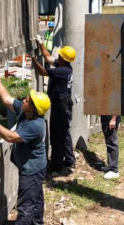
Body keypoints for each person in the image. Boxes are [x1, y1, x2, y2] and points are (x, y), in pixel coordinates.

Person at [0, 76, 51, 225]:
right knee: (36, 200)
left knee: (25, 208)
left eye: (27, 101)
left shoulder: (35, 125)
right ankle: (38, 222)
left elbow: (10, 137)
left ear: (33, 108)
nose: (24, 100)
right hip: (36, 167)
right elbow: (6, 99)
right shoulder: (26, 112)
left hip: (32, 171)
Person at [33, 37, 77, 175]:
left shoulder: (62, 71)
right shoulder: (65, 66)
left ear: (64, 58)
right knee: (64, 134)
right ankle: (70, 160)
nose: (57, 56)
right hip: (64, 105)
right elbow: (48, 58)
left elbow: (42, 72)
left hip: (61, 107)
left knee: (57, 135)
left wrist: (33, 59)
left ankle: (57, 165)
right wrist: (41, 43)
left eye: (60, 55)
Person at [100, 115, 120, 180]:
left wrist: (113, 119)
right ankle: (111, 166)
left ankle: (114, 170)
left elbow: (116, 105)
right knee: (109, 143)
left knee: (112, 143)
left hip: (110, 118)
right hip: (106, 117)